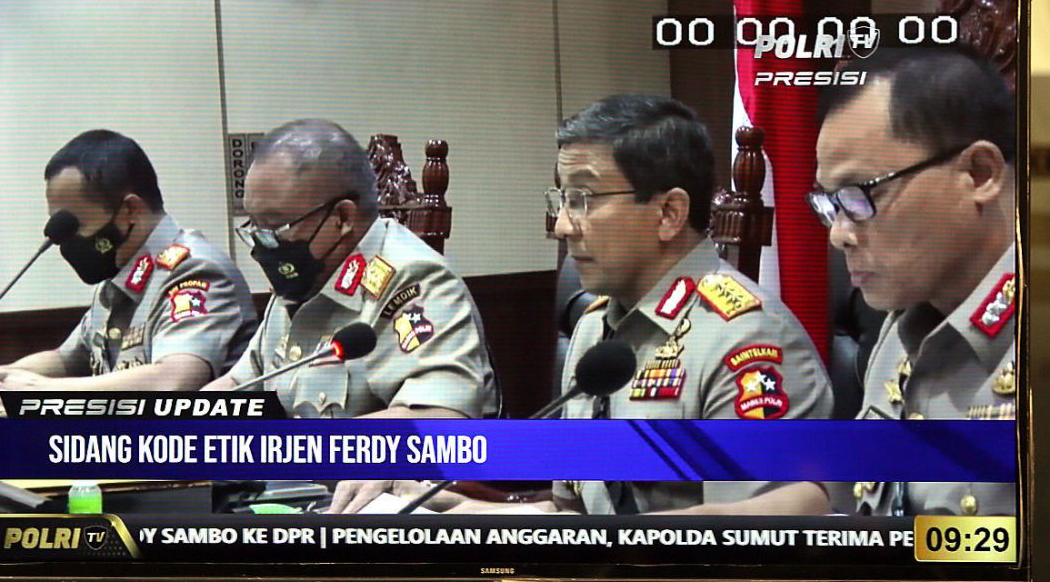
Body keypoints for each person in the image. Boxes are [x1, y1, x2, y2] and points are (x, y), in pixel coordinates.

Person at [331, 95, 834, 514]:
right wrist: (441, 508)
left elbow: (752, 544)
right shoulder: (596, 329)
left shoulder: (744, 337)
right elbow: (572, 513)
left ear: (669, 213)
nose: (564, 225)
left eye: (584, 200)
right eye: (563, 200)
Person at [810, 47, 1016, 516]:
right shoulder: (906, 315)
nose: (839, 234)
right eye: (830, 203)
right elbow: (857, 482)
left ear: (979, 173)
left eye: (861, 194)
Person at [202, 119, 498, 419]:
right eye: (254, 225)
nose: (261, 243)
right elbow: (241, 382)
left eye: (275, 226)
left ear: (342, 218)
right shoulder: (300, 280)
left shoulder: (415, 280)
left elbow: (441, 420)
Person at [0, 130, 258, 392]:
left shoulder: (194, 270)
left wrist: (46, 390)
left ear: (130, 210)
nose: (67, 241)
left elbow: (173, 380)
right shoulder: (120, 275)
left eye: (76, 225)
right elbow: (66, 359)